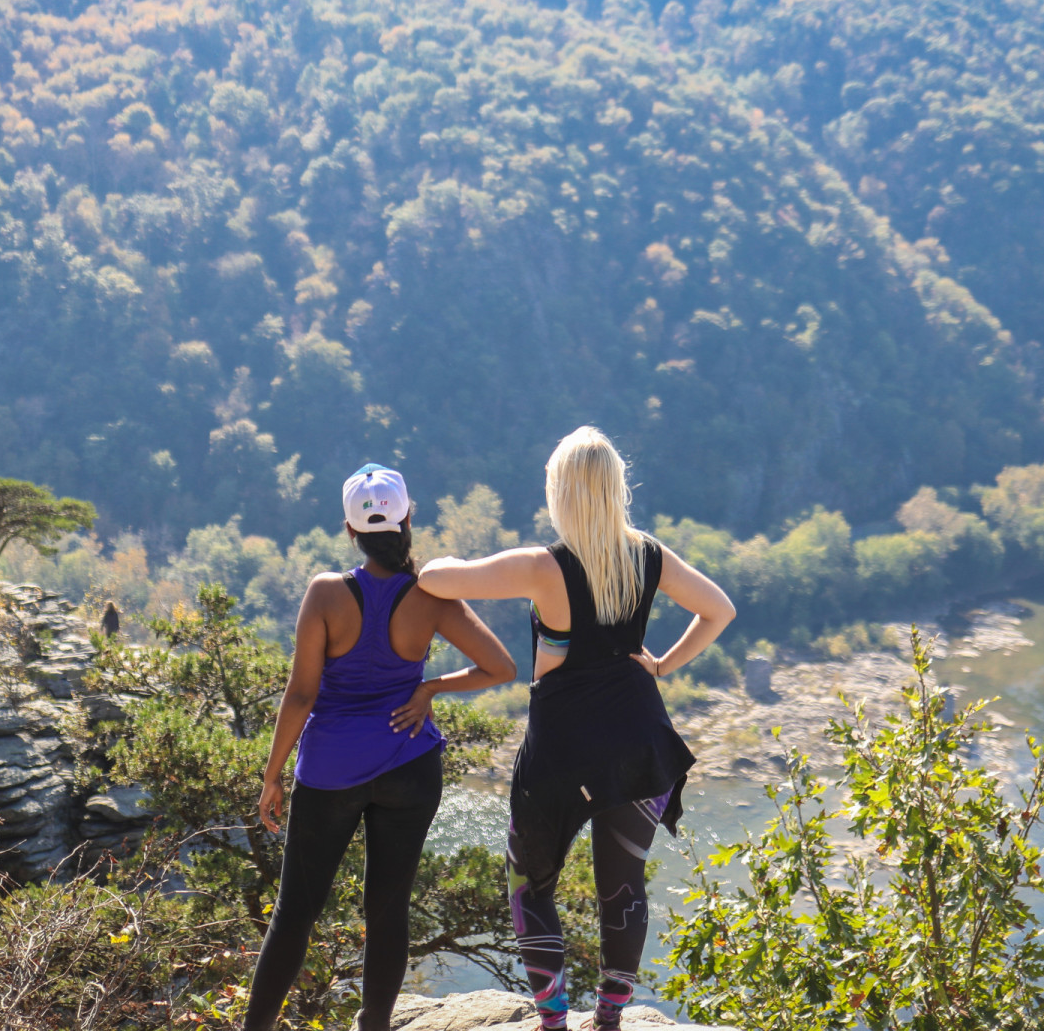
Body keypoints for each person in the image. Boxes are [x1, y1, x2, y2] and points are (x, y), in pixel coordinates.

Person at [418, 427, 735, 1031]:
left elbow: (436, 578)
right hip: (641, 740)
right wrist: (662, 663)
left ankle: (553, 1020)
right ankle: (611, 1017)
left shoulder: (544, 567)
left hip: (562, 749)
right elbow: (719, 609)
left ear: (560, 493)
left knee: (528, 883)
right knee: (624, 882)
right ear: (617, 491)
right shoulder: (648, 555)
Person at [246, 464, 516, 1031]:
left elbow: (301, 694)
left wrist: (272, 776)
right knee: (387, 911)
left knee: (296, 912)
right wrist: (432, 686)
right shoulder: (432, 595)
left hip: (329, 772)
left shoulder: (325, 593)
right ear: (408, 519)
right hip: (410, 767)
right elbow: (501, 667)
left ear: (350, 531)